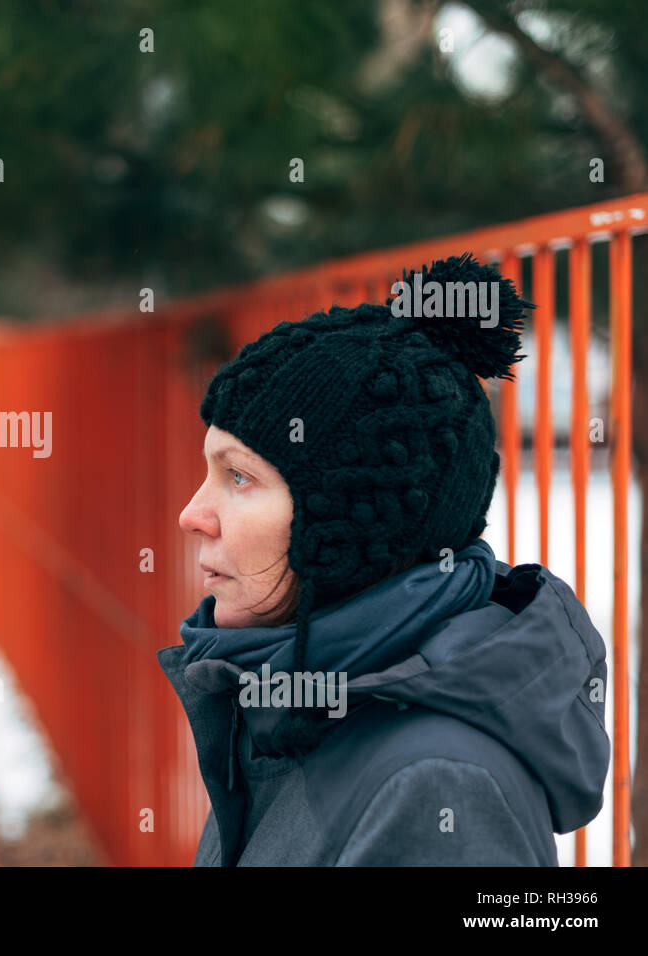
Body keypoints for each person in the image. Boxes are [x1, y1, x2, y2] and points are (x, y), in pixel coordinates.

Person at [156, 252, 610, 866]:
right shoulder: (281, 697)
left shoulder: (434, 790)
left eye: (239, 477)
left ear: (348, 523)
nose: (192, 514)